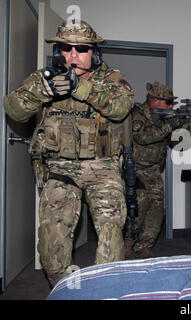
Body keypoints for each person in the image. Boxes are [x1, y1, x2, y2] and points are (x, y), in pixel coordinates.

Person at [3, 20, 134, 287]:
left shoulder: (112, 78)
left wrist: (80, 88)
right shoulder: (44, 78)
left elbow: (120, 108)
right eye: (66, 47)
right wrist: (42, 91)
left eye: (81, 48)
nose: (73, 55)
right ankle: (63, 290)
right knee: (51, 244)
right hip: (61, 168)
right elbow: (14, 109)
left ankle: (104, 291)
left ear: (94, 53)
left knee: (110, 238)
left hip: (103, 168)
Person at [124, 82, 187, 259]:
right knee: (136, 208)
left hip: (153, 170)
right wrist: (171, 124)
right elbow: (142, 137)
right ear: (154, 100)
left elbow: (179, 145)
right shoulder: (137, 113)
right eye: (167, 102)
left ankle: (145, 244)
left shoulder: (164, 117)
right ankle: (127, 242)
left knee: (157, 209)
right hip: (133, 169)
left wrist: (189, 126)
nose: (170, 106)